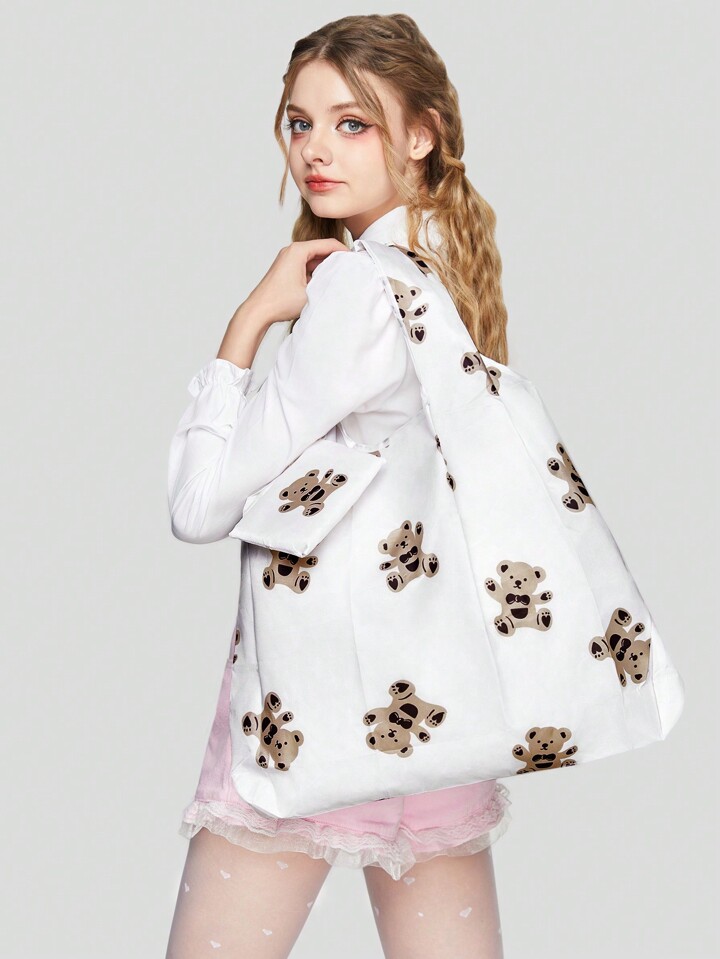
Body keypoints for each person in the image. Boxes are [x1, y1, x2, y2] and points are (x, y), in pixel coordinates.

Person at [165, 14, 513, 959]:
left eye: (351, 123)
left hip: (311, 706)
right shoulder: (447, 274)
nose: (315, 149)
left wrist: (249, 320)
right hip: (432, 700)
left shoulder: (355, 289)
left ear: (421, 134)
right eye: (299, 122)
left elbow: (198, 505)